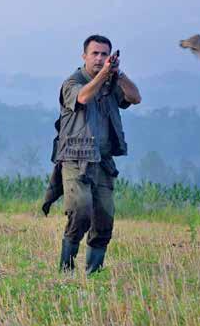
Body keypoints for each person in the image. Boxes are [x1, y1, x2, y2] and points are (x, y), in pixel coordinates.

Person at [54, 34, 141, 274]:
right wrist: (104, 74)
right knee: (80, 211)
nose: (100, 58)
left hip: (103, 160)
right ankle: (66, 270)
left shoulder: (112, 83)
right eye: (95, 53)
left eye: (105, 54)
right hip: (75, 158)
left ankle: (93, 275)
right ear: (84, 56)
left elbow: (136, 98)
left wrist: (118, 74)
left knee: (104, 218)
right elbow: (83, 97)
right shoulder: (72, 82)